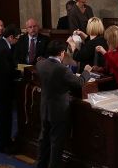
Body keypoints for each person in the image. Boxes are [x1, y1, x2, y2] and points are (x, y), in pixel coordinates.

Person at [36, 40, 91, 168]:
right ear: (61, 53)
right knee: (56, 144)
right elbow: (79, 82)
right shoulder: (61, 69)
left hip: (45, 108)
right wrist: (87, 71)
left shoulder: (40, 64)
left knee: (44, 140)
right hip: (59, 111)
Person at [0, 24, 20, 154]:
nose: (17, 41)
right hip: (2, 90)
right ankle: (5, 144)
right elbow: (7, 71)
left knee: (3, 117)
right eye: (17, 38)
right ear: (11, 37)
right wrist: (19, 73)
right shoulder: (3, 49)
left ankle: (5, 141)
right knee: (4, 118)